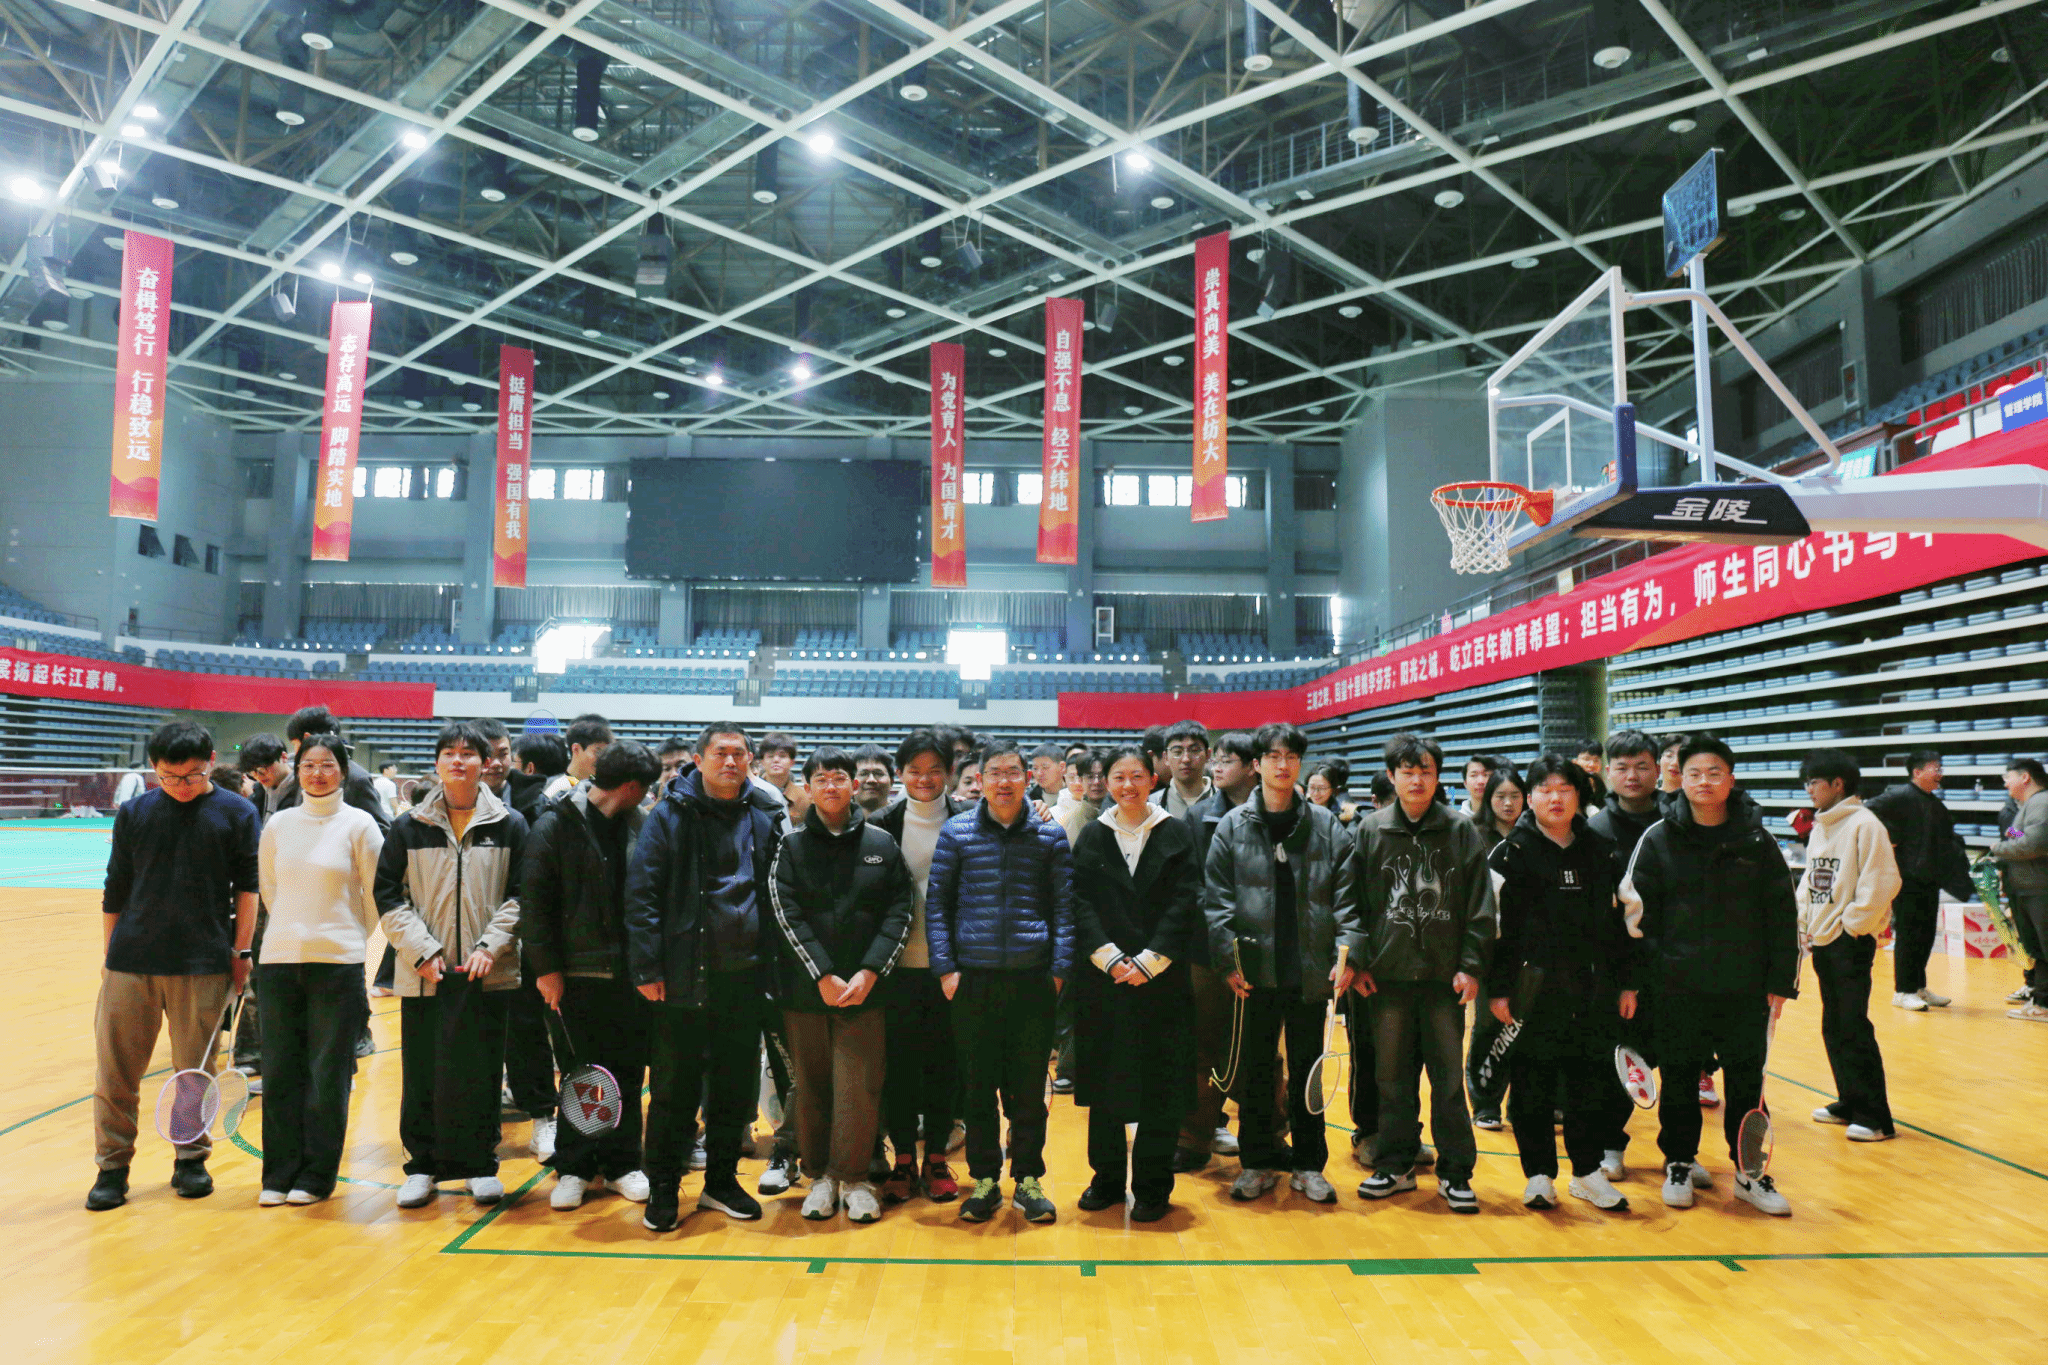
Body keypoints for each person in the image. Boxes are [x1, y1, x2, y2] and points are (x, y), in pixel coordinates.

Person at [1621, 733, 1799, 1217]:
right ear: (1679, 779)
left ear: (1731, 779)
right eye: (1694, 773)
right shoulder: (1657, 839)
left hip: (1745, 989)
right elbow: (1635, 915)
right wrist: (1639, 979)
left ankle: (1750, 1173)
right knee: (1680, 1078)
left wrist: (1781, 983)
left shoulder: (1758, 842)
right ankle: (1679, 1162)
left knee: (1748, 1084)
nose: (1704, 782)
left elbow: (1783, 914)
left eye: (1714, 773)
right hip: (1677, 987)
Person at [87, 721, 259, 1212]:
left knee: (194, 1072)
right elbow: (115, 887)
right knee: (115, 1074)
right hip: (131, 963)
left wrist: (241, 953)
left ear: (211, 761)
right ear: (154, 769)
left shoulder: (237, 812)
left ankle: (190, 1158)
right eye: (170, 777)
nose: (182, 786)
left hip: (202, 963)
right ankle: (112, 1167)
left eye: (193, 775)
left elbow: (248, 888)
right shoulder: (136, 812)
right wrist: (110, 958)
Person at [626, 722, 784, 1232]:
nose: (730, 762)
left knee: (734, 1088)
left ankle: (720, 1182)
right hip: (683, 974)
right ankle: (664, 1187)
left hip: (746, 976)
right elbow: (643, 894)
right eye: (720, 753)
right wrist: (648, 967)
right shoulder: (670, 813)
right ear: (698, 760)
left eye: (739, 754)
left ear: (750, 761)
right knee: (674, 1088)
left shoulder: (764, 813)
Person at [1203, 722, 1360, 1205]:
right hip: (1254, 972)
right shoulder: (1232, 826)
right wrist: (1228, 961)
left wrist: (1348, 953)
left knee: (1309, 1072)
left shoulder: (1326, 825)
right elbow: (1216, 901)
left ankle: (1310, 1166)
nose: (1283, 764)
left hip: (1311, 970)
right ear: (1257, 765)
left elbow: (1348, 897)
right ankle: (1256, 1163)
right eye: (1273, 756)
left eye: (1292, 756)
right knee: (1256, 1073)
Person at [376, 720, 529, 1210]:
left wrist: (491, 946)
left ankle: (480, 1165)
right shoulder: (409, 826)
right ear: (438, 762)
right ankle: (421, 1167)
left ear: (486, 763)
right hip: (427, 974)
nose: (458, 761)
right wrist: (423, 951)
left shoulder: (510, 824)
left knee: (482, 1073)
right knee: (421, 1073)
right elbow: (388, 896)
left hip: (487, 973)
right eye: (449, 753)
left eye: (468, 754)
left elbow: (521, 894)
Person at [926, 739, 1075, 1224]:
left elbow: (1065, 908)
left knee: (1028, 1092)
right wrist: (946, 969)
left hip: (1033, 981)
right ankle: (986, 1180)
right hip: (973, 982)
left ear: (1027, 778)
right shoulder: (957, 832)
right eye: (994, 773)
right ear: (980, 780)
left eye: (1013, 772)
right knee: (977, 1089)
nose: (1004, 781)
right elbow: (937, 905)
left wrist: (1058, 971)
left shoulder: (1049, 834)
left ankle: (1028, 1179)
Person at [767, 747, 915, 1225]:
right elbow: (784, 913)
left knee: (860, 1084)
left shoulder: (881, 843)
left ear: (854, 785)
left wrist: (870, 972)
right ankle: (819, 1177)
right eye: (821, 779)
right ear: (808, 788)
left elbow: (901, 909)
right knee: (811, 1085)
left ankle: (854, 1178)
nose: (830, 786)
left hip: (866, 990)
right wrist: (822, 974)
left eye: (839, 778)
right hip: (807, 990)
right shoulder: (791, 845)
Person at [1353, 732, 1492, 1214]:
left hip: (1442, 980)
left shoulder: (1460, 830)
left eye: (1425, 771)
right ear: (1391, 777)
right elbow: (1353, 903)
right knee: (1391, 1080)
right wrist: (1359, 962)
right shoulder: (1370, 830)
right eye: (1407, 772)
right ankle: (1396, 1165)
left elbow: (1480, 905)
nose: (1416, 780)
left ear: (1437, 777)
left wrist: (1471, 965)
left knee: (1449, 1083)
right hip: (1386, 979)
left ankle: (1456, 1173)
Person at [522, 739, 662, 1211]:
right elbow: (534, 904)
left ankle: (623, 1164)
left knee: (627, 1071)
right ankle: (575, 1167)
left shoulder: (641, 824)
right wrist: (546, 970)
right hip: (575, 973)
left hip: (631, 973)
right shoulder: (555, 824)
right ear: (630, 786)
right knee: (581, 1074)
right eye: (645, 788)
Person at [1486, 755, 1629, 1213]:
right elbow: (1494, 930)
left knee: (1590, 1082)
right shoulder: (1509, 854)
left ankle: (1587, 1173)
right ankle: (1539, 1175)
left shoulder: (1602, 850)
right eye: (1545, 789)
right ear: (1529, 798)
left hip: (1592, 989)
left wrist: (1626, 983)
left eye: (1564, 789)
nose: (1555, 798)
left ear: (1579, 795)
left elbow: (1622, 926)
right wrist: (1498, 989)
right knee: (1532, 1082)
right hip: (1531, 991)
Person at [1070, 745, 1202, 1221]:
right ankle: (1105, 1179)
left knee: (1161, 1086)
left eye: (1137, 777)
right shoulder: (1092, 835)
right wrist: (1108, 957)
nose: (1127, 786)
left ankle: (1152, 1187)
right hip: (1104, 980)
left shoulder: (1176, 832)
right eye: (1118, 777)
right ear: (1106, 782)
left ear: (1152, 779)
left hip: (1162, 980)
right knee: (1105, 1083)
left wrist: (1151, 959)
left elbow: (1187, 900)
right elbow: (1079, 901)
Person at [254, 732, 384, 1205]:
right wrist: (296, 931)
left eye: (328, 764)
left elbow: (376, 899)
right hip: (279, 962)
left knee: (327, 1076)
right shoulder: (279, 825)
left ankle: (316, 1176)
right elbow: (270, 890)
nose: (317, 773)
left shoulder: (360, 825)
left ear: (343, 771)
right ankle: (278, 1175)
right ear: (297, 770)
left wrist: (347, 939)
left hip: (338, 964)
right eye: (308, 765)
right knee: (280, 1072)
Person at [872, 731, 969, 1204]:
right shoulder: (880, 825)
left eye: (935, 770)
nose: (925, 779)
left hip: (951, 969)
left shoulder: (970, 820)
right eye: (915, 770)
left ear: (949, 773)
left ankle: (937, 1160)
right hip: (896, 969)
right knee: (900, 1069)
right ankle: (903, 1160)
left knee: (945, 1067)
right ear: (900, 774)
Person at [1796, 749, 1901, 1139]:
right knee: (1834, 1025)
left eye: (1813, 782)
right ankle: (1850, 1100)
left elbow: (1882, 882)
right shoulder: (1821, 826)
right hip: (1823, 939)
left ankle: (1876, 1118)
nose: (1809, 789)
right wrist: (1804, 922)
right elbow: (1811, 880)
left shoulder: (1865, 824)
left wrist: (1852, 926)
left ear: (1837, 784)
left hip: (1849, 941)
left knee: (1853, 1026)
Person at [1176, 731, 1258, 1172]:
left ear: (1252, 766)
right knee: (1202, 1043)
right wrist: (1222, 930)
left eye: (1229, 760)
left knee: (1263, 1047)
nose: (1217, 766)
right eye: (1218, 759)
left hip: (1263, 949)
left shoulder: (1277, 810)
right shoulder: (1198, 816)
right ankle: (1194, 1138)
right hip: (1207, 948)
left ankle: (1266, 1139)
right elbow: (1192, 885)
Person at [1587, 729, 1665, 1179]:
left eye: (1641, 766)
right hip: (1617, 968)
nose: (1632, 775)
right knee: (1617, 1056)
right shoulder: (1596, 830)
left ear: (1658, 770)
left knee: (1680, 1059)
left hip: (1673, 963)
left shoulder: (1678, 822)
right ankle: (1608, 1144)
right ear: (1607, 772)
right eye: (1622, 767)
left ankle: (1680, 1154)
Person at [504, 728, 569, 1159]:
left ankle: (547, 1115)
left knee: (534, 1029)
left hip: (537, 937)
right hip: (481, 939)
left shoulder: (543, 803)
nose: (497, 763)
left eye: (504, 755)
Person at [1868, 750, 1973, 1011]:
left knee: (1924, 936)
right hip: (1909, 879)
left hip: (1929, 878)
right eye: (1936, 768)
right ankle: (1903, 991)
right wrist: (1891, 837)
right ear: (1917, 772)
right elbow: (1867, 811)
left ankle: (1917, 987)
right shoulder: (1899, 795)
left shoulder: (1935, 804)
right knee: (1909, 935)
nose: (1940, 774)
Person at [1993, 756, 2048, 1024]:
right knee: (2038, 949)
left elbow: (2033, 845)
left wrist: (1998, 848)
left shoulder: (2042, 802)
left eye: (2008, 778)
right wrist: (2013, 837)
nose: (2005, 784)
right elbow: (2023, 836)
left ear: (2025, 777)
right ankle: (2042, 1002)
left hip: (2040, 888)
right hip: (2028, 888)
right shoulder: (2030, 805)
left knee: (2044, 947)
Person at [545, 715, 613, 800]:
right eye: (598, 752)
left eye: (606, 752)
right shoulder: (556, 788)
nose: (603, 758)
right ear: (576, 749)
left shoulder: (600, 786)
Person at [1155, 720, 1212, 816]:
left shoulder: (1225, 801)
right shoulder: (1152, 804)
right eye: (1177, 752)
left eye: (1194, 750)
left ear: (1208, 755)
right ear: (1166, 757)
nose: (1186, 759)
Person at [508, 732, 568, 823]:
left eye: (513, 761)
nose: (510, 766)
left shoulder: (524, 810)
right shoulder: (571, 797)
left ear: (530, 769)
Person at [1477, 767, 1528, 844]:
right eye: (1501, 796)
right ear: (1489, 798)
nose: (1508, 803)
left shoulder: (1533, 834)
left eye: (1515, 796)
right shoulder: (1475, 834)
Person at [1306, 761, 1360, 828]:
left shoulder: (1344, 814)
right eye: (1312, 787)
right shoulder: (1302, 809)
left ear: (1333, 789)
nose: (1316, 793)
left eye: (1322, 788)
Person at [851, 744, 895, 814]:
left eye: (879, 774)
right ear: (851, 783)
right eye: (863, 774)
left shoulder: (906, 818)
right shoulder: (837, 820)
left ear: (892, 782)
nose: (871, 780)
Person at [1458, 755, 1499, 825]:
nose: (1481, 781)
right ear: (1465, 783)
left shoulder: (1504, 818)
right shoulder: (1457, 822)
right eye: (1474, 775)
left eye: (1486, 775)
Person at [1027, 743, 1067, 809]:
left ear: (1062, 767)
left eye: (1045, 767)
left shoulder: (1076, 795)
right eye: (1035, 768)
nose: (1039, 773)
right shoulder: (1029, 799)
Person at [1573, 742, 1609, 809]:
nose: (1592, 765)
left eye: (1596, 760)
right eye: (1586, 759)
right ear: (1575, 761)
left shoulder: (1599, 783)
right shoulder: (1571, 784)